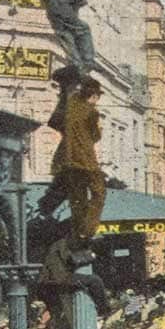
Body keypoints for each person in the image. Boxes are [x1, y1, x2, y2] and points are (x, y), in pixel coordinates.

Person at [52, 76, 105, 250]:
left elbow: (54, 123)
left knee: (77, 199)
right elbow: (96, 136)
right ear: (93, 96)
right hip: (85, 160)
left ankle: (78, 233)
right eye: (97, 97)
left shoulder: (69, 105)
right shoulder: (92, 112)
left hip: (66, 161)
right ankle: (87, 231)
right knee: (99, 193)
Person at [46, 0, 97, 78]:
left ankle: (77, 65)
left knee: (67, 36)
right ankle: (88, 61)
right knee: (84, 29)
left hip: (53, 10)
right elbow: (80, 0)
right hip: (63, 9)